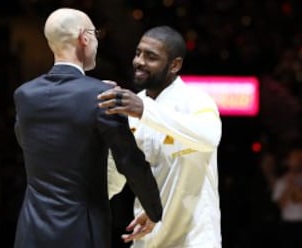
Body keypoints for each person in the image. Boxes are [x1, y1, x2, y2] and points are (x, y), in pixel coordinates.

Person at [12, 8, 162, 248]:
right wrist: (154, 210)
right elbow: (129, 161)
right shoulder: (101, 97)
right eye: (95, 34)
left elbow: (31, 142)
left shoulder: (24, 95)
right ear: (84, 37)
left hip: (31, 233)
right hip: (81, 233)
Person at [98, 26, 222, 247]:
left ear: (174, 65)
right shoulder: (132, 107)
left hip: (194, 239)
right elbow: (114, 179)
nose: (139, 61)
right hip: (146, 238)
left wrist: (144, 110)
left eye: (151, 57)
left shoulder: (196, 100)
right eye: (138, 53)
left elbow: (209, 137)